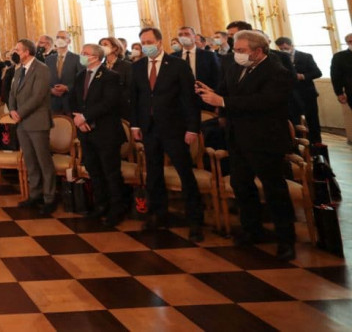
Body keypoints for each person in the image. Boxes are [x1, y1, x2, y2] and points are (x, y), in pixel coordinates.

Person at [197, 30, 297, 261]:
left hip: (264, 139)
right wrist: (212, 93)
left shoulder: (276, 71)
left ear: (258, 51)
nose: (236, 54)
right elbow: (227, 91)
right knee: (241, 185)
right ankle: (252, 230)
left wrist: (222, 101)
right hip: (237, 137)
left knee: (274, 190)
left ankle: (285, 239)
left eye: (241, 51)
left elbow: (265, 102)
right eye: (235, 50)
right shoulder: (234, 66)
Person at [131, 27, 204, 242]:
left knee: (185, 174)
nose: (146, 45)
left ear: (160, 42)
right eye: (143, 42)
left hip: (175, 128)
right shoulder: (137, 67)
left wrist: (192, 128)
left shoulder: (178, 65)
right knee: (153, 174)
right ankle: (157, 214)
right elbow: (135, 99)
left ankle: (195, 220)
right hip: (149, 128)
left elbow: (189, 100)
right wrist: (135, 125)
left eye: (150, 41)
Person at [72, 44, 127, 226]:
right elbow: (76, 100)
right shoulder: (81, 76)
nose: (82, 56)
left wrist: (86, 117)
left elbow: (109, 102)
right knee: (94, 171)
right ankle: (100, 205)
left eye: (84, 53)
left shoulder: (111, 76)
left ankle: (116, 209)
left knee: (111, 173)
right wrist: (79, 119)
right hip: (86, 132)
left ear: (95, 57)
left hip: (106, 132)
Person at [8, 39, 56, 214]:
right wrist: (12, 109)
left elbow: (38, 96)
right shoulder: (19, 70)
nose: (15, 52)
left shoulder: (41, 69)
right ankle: (35, 194)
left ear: (27, 52)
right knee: (30, 161)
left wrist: (20, 112)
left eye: (17, 49)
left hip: (37, 121)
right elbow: (12, 92)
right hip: (21, 123)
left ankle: (49, 197)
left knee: (44, 161)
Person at [276, 37, 323, 142]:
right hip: (291, 95)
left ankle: (316, 144)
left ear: (291, 45)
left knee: (312, 120)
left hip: (306, 93)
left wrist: (302, 76)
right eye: (281, 48)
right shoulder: (279, 58)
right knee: (296, 121)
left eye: (285, 48)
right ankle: (301, 143)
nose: (283, 50)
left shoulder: (305, 56)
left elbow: (317, 72)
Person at [45, 30, 83, 115]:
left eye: (62, 37)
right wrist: (51, 90)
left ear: (69, 41)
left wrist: (67, 88)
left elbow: (82, 80)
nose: (59, 39)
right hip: (53, 103)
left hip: (71, 102)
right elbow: (43, 79)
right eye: (57, 37)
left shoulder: (78, 58)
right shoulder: (48, 59)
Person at [98, 37, 131, 121]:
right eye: (100, 45)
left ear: (115, 47)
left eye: (105, 44)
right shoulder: (100, 67)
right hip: (104, 109)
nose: (102, 47)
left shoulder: (127, 66)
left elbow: (130, 88)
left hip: (122, 108)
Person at [331, 33, 352, 113]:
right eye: (350, 41)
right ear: (347, 43)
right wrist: (339, 93)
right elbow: (335, 77)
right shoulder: (339, 57)